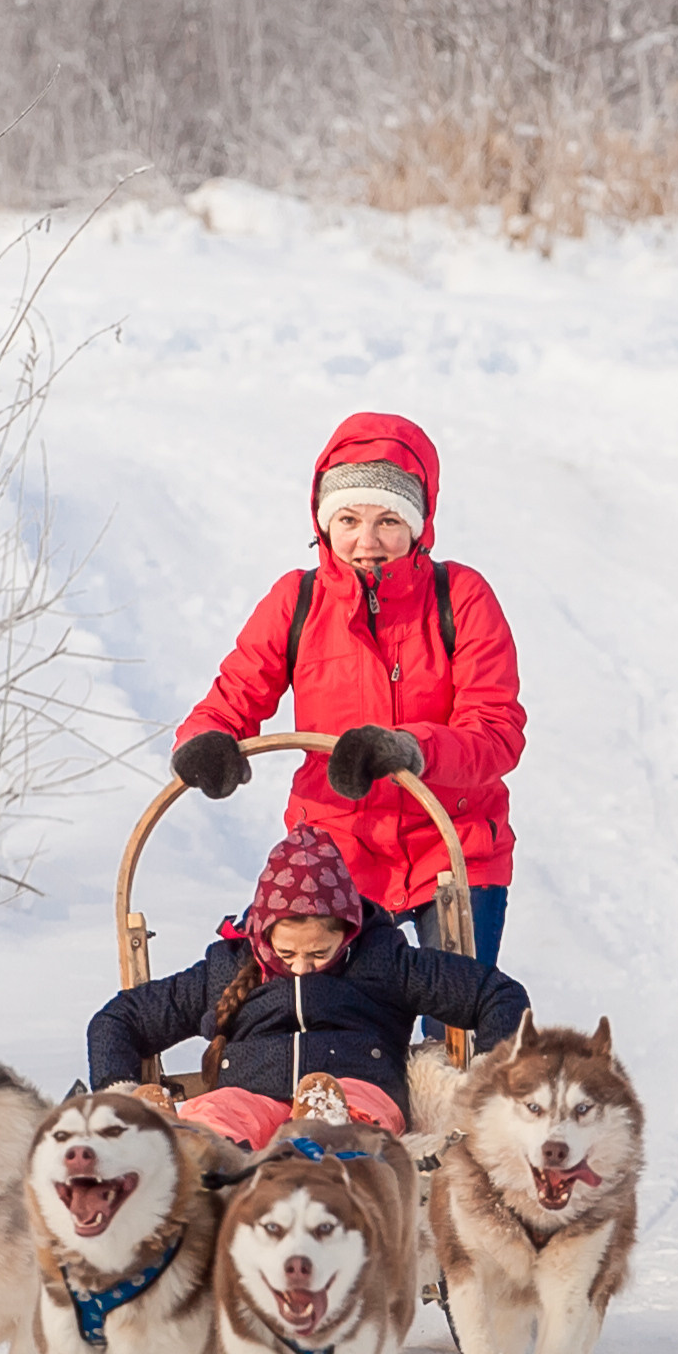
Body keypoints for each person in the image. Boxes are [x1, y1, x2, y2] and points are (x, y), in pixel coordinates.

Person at [167, 411, 525, 967]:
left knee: (456, 1025)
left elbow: (497, 733)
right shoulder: (297, 602)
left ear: (418, 526)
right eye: (349, 519)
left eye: (388, 521)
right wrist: (208, 740)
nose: (367, 541)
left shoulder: (462, 597)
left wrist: (411, 750)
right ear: (323, 524)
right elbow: (233, 696)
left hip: (454, 849)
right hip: (336, 854)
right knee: (333, 1027)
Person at [88, 821, 528, 1149]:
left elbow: (498, 994)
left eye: (319, 954)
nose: (301, 968)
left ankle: (327, 1147)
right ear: (262, 935)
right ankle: (186, 1149)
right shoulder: (226, 969)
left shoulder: (383, 960)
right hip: (250, 1095)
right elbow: (118, 1019)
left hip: (358, 1091)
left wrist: (493, 1070)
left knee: (336, 1105)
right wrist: (119, 1091)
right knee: (217, 1114)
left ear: (348, 930)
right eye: (286, 955)